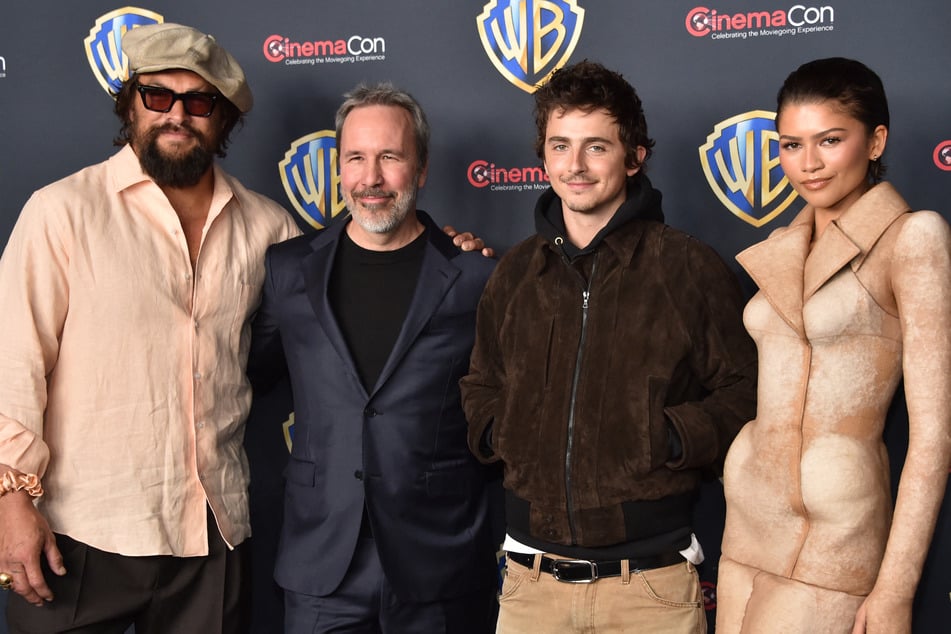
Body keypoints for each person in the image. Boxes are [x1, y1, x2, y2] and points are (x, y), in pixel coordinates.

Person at [0, 23, 487, 634]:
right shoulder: (61, 213)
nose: (177, 115)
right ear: (130, 105)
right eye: (158, 97)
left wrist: (451, 251)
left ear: (223, 120)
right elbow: (12, 363)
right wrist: (11, 500)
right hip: (82, 532)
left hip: (212, 535)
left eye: (199, 102)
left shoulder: (269, 231)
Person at [460, 60, 758, 633]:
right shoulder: (515, 272)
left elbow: (743, 394)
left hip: (649, 585)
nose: (575, 166)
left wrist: (665, 436)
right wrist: (504, 432)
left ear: (635, 156)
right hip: (530, 585)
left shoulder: (688, 267)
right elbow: (481, 383)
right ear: (542, 156)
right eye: (560, 146)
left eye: (596, 146)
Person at [247, 82, 500, 634]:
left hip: (440, 563)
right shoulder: (288, 270)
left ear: (422, 167)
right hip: (322, 563)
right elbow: (248, 374)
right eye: (356, 158)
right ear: (339, 167)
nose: (371, 179)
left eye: (390, 157)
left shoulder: (475, 278)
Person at [716, 57, 951, 634]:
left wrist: (896, 586)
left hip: (835, 539)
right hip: (746, 523)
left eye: (829, 140)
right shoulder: (781, 243)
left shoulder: (913, 237)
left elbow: (933, 436)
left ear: (875, 142)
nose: (809, 164)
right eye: (791, 145)